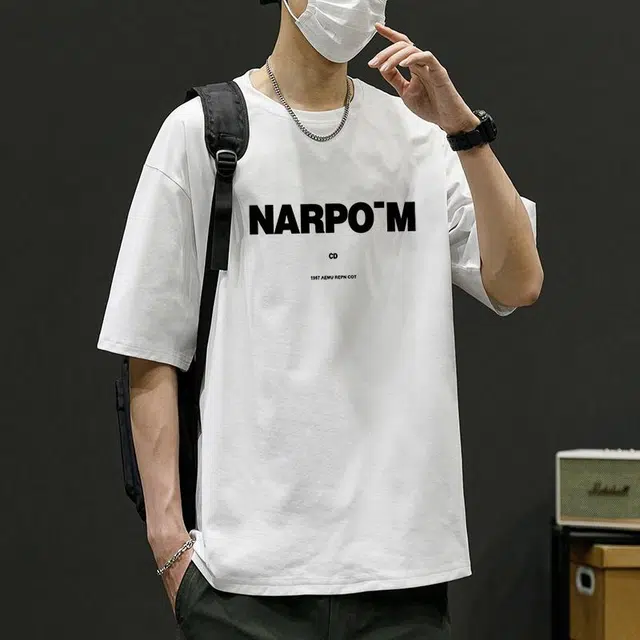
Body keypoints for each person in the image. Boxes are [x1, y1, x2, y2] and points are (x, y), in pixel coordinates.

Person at [97, 0, 543, 638]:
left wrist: (464, 133)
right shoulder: (203, 133)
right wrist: (169, 544)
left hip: (401, 572)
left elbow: (519, 282)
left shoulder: (419, 136)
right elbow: (149, 345)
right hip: (244, 581)